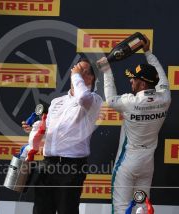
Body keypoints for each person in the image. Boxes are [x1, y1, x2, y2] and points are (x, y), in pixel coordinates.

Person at [97, 36, 171, 214]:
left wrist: (106, 69)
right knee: (142, 208)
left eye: (134, 79)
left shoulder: (130, 102)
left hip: (127, 163)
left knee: (122, 209)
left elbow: (111, 99)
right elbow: (161, 78)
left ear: (143, 83)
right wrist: (148, 53)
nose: (131, 81)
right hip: (147, 164)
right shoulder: (165, 98)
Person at [22, 58, 103, 214]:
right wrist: (35, 128)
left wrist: (76, 75)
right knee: (41, 211)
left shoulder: (93, 100)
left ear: (91, 78)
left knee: (67, 210)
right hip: (47, 164)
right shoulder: (56, 101)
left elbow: (82, 97)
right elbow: (50, 129)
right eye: (77, 69)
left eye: (84, 71)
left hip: (71, 167)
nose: (78, 73)